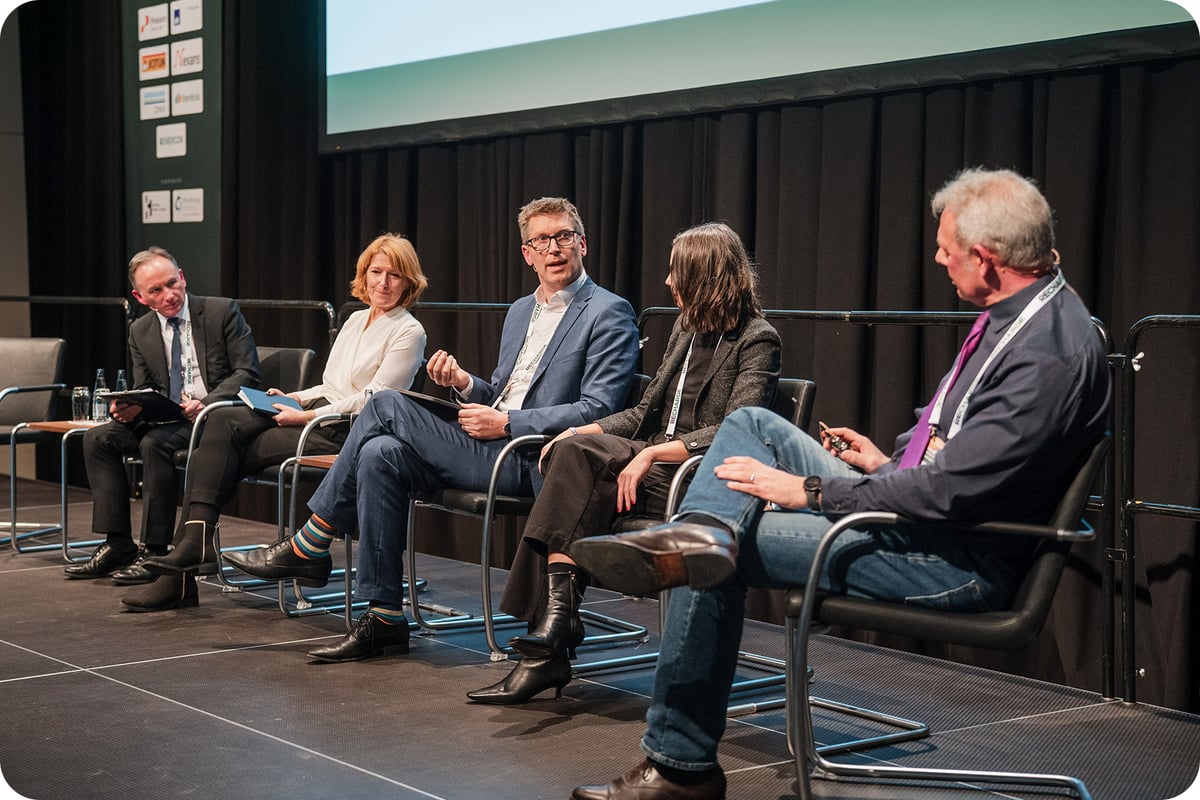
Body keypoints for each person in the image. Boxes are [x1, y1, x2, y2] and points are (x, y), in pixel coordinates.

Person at [567, 168, 1111, 800]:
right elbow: (960, 455)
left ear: (987, 259)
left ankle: (680, 766)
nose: (937, 258)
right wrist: (885, 465)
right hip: (915, 502)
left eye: (947, 249)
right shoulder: (1023, 309)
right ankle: (694, 537)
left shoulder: (1049, 353)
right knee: (752, 423)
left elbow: (947, 495)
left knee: (716, 556)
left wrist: (816, 492)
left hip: (947, 554)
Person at [223, 197, 642, 663]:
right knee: (380, 452)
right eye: (541, 240)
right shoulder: (522, 310)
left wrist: (507, 422)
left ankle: (310, 542)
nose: (554, 249)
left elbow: (598, 408)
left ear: (582, 243)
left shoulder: (608, 311)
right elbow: (501, 391)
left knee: (384, 403)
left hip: (533, 457)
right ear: (527, 253)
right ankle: (383, 617)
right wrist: (464, 384)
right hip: (491, 441)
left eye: (563, 237)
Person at [467, 222, 782, 705]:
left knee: (578, 479)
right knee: (572, 451)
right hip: (649, 457)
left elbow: (735, 431)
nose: (667, 283)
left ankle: (548, 642)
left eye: (676, 272)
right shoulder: (684, 328)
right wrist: (576, 431)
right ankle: (556, 627)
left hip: (696, 473)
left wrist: (655, 453)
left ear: (705, 276)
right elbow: (641, 413)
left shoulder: (757, 339)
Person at [125, 234, 429, 611]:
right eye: (376, 272)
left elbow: (376, 399)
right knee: (220, 423)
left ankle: (187, 564)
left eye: (394, 275)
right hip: (319, 417)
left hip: (351, 433)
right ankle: (192, 551)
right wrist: (292, 397)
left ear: (409, 281)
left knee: (220, 444)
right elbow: (332, 385)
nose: (383, 283)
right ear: (364, 275)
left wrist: (307, 414)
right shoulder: (354, 319)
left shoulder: (409, 331)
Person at [64, 248, 260, 601]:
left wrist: (209, 400)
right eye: (155, 291)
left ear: (182, 277)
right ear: (140, 297)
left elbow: (248, 373)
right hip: (165, 415)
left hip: (212, 416)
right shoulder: (140, 330)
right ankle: (118, 543)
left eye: (172, 284)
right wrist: (130, 408)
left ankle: (155, 550)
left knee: (155, 443)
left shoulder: (220, 311)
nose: (169, 295)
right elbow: (147, 386)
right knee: (96, 439)